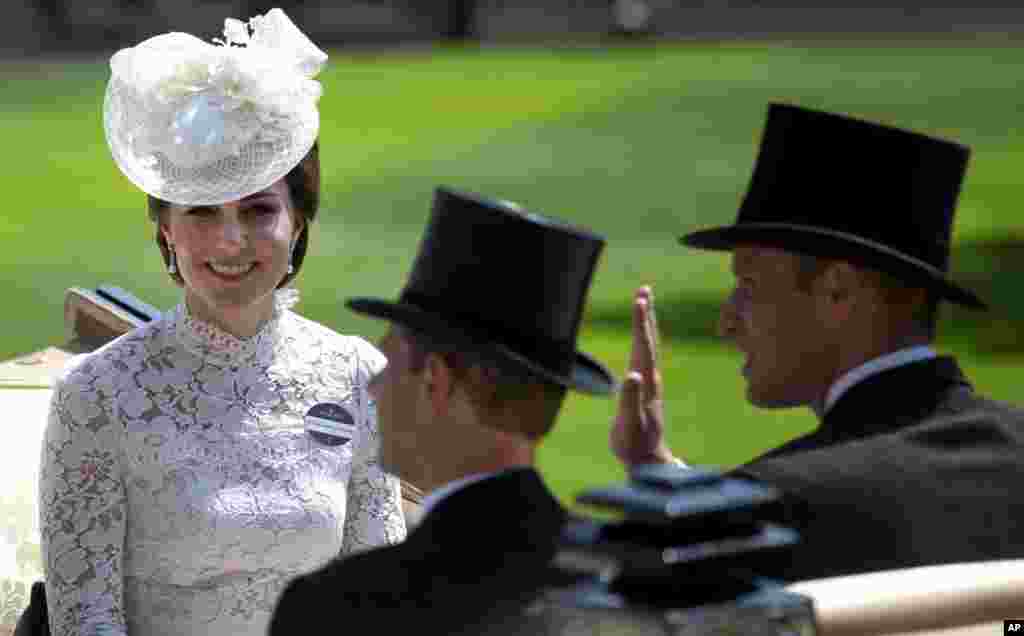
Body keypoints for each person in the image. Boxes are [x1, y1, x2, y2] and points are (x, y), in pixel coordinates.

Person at [38, 10, 405, 636]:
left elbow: (383, 605)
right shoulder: (95, 397)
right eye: (202, 212)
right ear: (166, 229)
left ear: (299, 224)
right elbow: (86, 622)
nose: (230, 241)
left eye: (259, 210)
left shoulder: (359, 377)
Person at [612, 103, 1024, 581]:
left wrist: (671, 495)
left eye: (748, 284)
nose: (726, 321)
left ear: (839, 290)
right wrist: (663, 470)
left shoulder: (775, 506)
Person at [269, 187, 617, 635]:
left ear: (434, 380)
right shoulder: (613, 576)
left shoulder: (339, 608)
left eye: (388, 365)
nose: (374, 390)